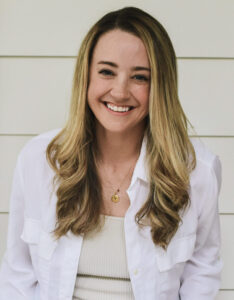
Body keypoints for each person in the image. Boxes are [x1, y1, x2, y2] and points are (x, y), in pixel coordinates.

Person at [0, 6, 222, 300]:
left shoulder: (196, 171)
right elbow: (17, 276)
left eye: (140, 77)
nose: (120, 91)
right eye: (107, 71)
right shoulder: (38, 161)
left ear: (160, 87)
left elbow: (201, 276)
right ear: (87, 75)